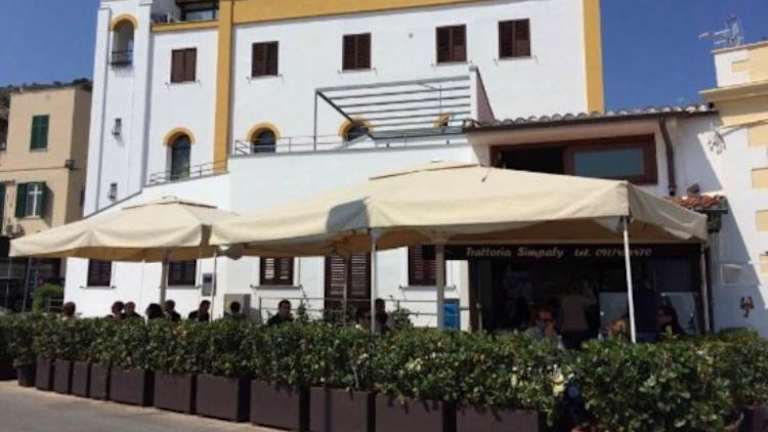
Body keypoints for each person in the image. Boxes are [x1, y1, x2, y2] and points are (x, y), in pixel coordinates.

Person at [559, 278, 597, 349]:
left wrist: (559, 327)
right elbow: (594, 301)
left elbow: (561, 316)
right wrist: (588, 289)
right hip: (580, 329)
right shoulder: (580, 299)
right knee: (581, 350)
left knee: (568, 350)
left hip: (567, 329)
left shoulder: (564, 300)